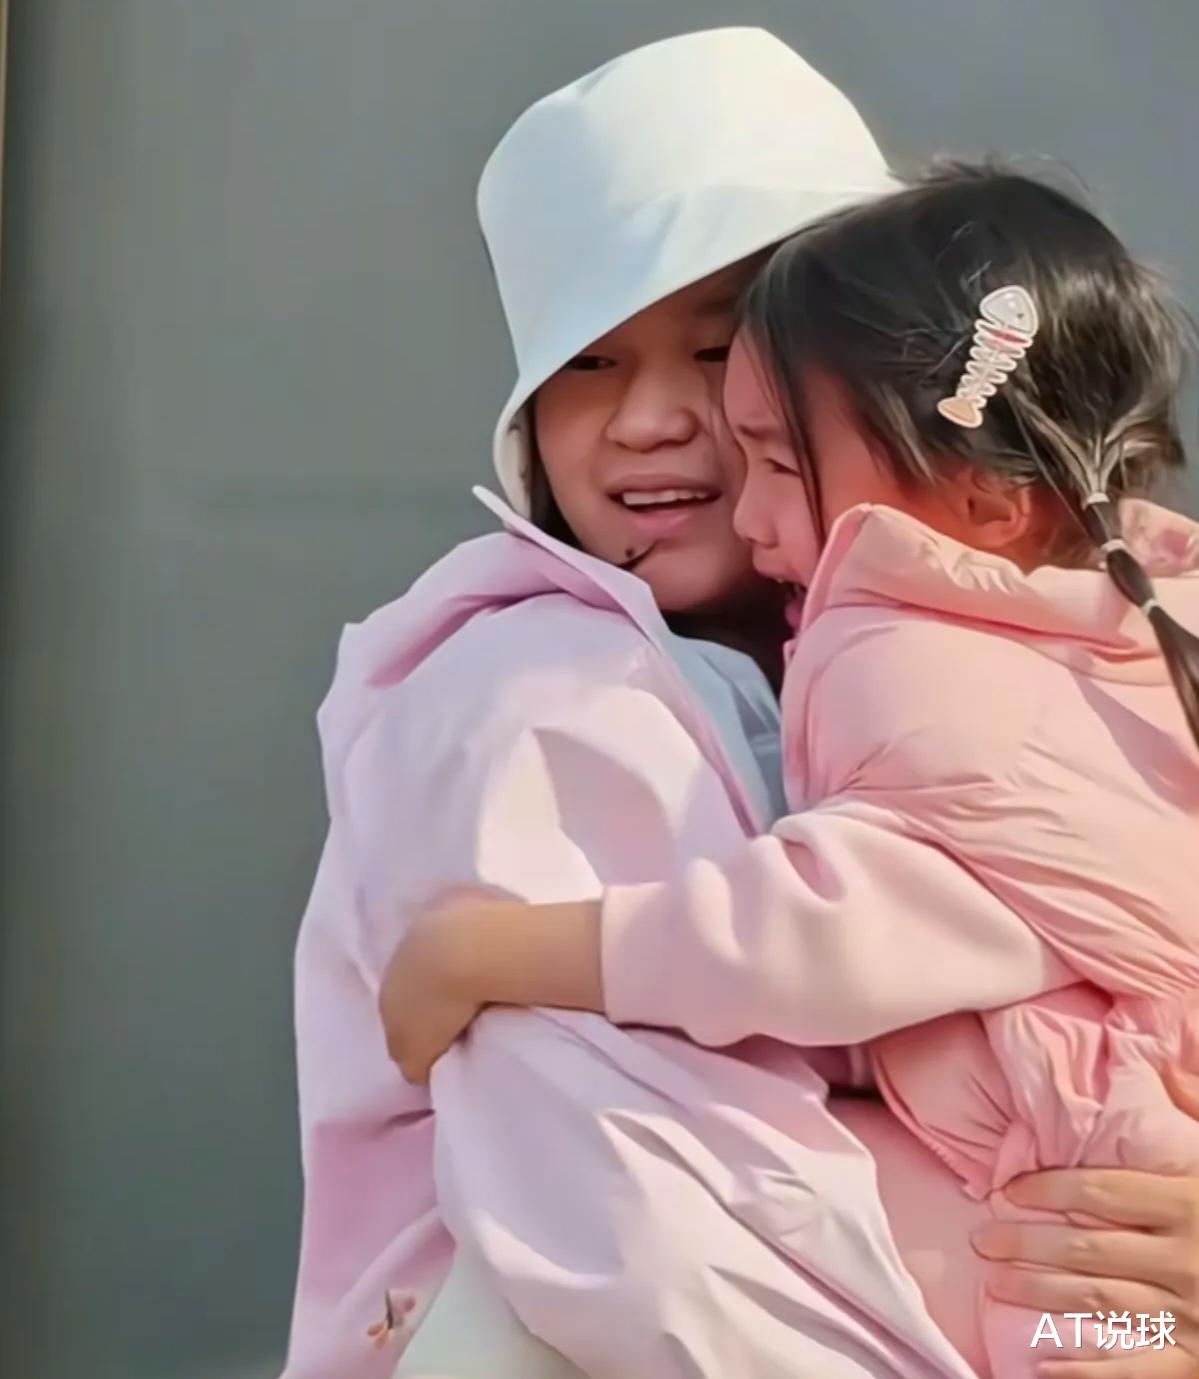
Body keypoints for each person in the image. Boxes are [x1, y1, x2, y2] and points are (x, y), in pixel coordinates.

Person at [285, 29, 1199, 1379]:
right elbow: (659, 1226)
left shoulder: (1016, 653)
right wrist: (1109, 1296)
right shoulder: (530, 695)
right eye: (585, 364)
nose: (652, 417)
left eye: (724, 351)